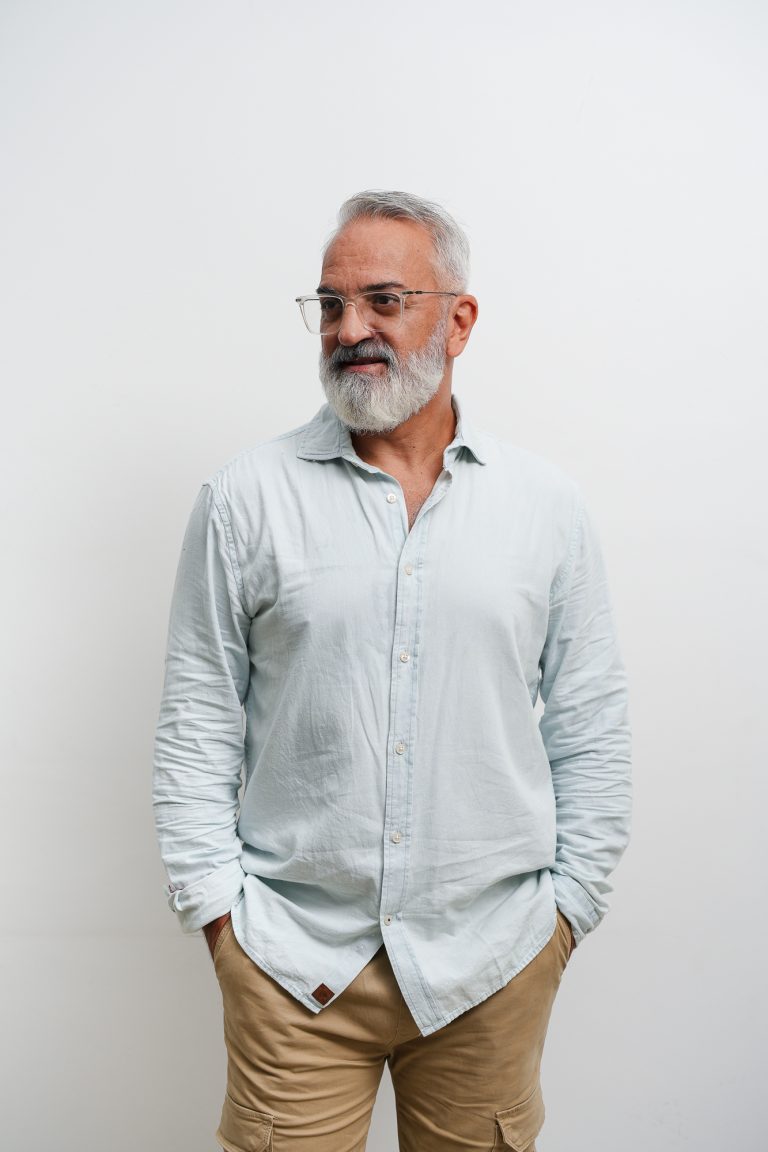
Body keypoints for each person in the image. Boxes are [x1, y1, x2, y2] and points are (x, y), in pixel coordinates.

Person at [153, 189, 631, 1152]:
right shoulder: (245, 499)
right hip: (291, 966)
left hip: (493, 963)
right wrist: (220, 921)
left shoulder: (546, 508)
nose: (349, 330)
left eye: (384, 300)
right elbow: (197, 722)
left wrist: (565, 916)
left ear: (459, 320)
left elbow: (590, 723)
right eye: (331, 305)